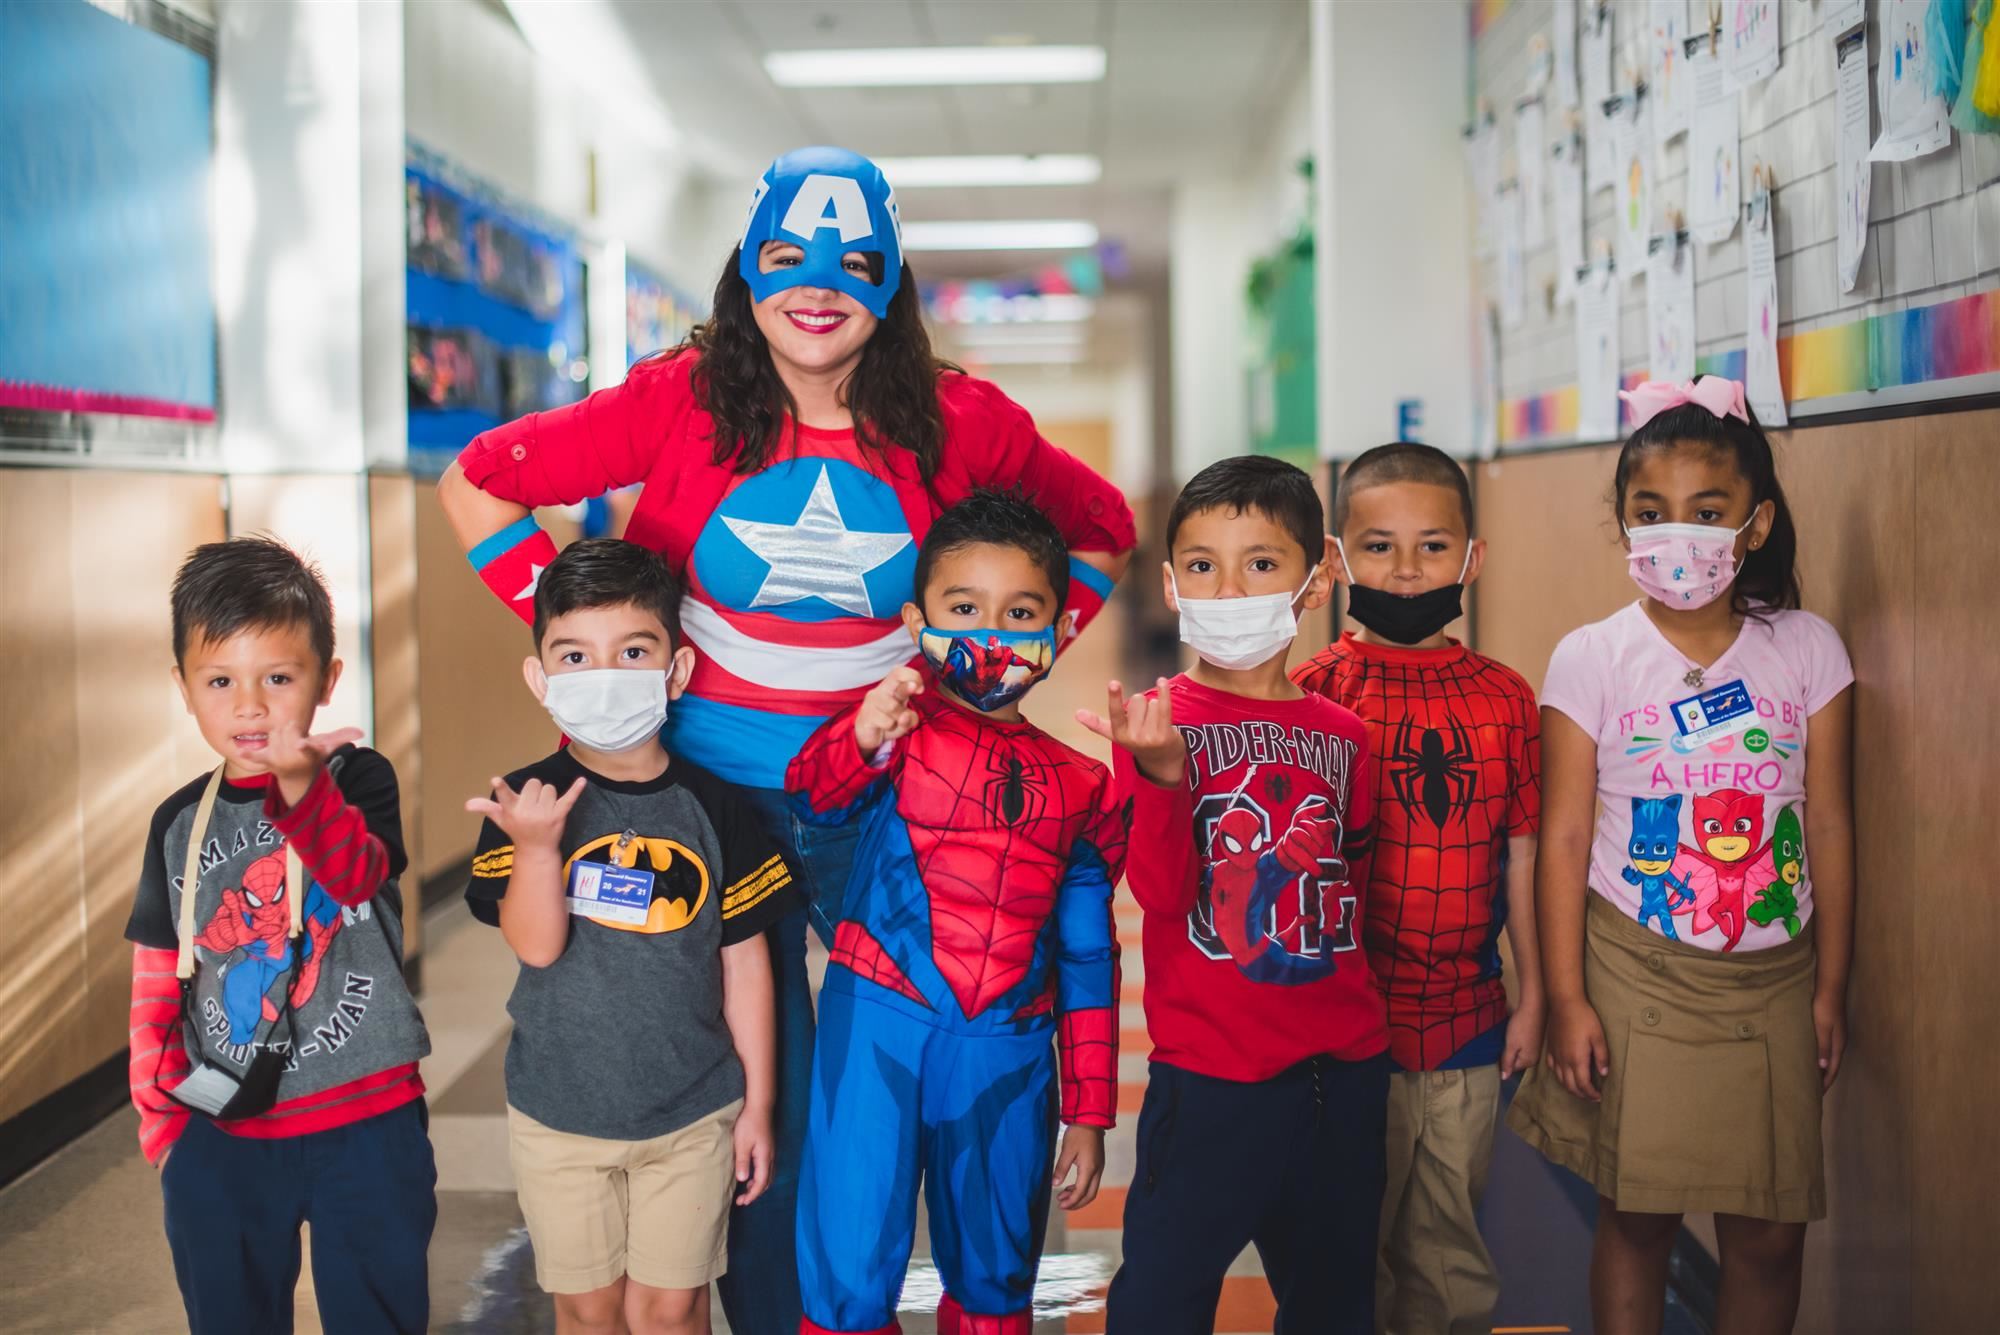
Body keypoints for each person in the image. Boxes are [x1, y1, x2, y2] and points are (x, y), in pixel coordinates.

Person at [435, 146, 1135, 1331]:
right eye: (786, 259)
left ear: (892, 277)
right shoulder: (681, 398)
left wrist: (985, 673)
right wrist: (605, 653)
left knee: (899, 1084)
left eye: (854, 262)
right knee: (760, 1091)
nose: (817, 289)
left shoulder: (961, 418)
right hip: (706, 803)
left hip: (890, 809)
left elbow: (1102, 532)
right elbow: (476, 486)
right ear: (745, 268)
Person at [1506, 378, 1854, 1335]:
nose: (1681, 535)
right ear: (1622, 523)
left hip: (1775, 979)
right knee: (1639, 1213)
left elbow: (1829, 825)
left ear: (1756, 521)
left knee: (1771, 1229)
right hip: (1635, 969)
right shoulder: (1593, 656)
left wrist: (1831, 986)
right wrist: (1569, 997)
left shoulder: (1809, 649)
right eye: (1652, 513)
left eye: (1709, 513)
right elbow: (1565, 840)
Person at [784, 490, 1125, 1335]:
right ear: (916, 619)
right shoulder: (889, 731)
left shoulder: (1085, 786)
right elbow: (813, 805)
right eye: (964, 608)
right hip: (876, 1029)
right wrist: (862, 737)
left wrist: (1088, 1107)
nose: (993, 632)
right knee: (848, 1274)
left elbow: (1089, 954)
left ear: (1059, 627)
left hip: (1010, 1053)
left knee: (996, 1279)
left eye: (1021, 612)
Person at [1082, 456, 1390, 1334]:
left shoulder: (1346, 735)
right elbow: (1163, 890)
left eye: (1260, 562)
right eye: (1203, 564)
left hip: (1344, 1073)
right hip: (1212, 1078)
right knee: (1160, 1301)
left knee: (1333, 1303)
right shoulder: (1157, 719)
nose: (1230, 586)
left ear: (1318, 577)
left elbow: (1352, 892)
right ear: (1173, 583)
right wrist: (1163, 774)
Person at [464, 539, 801, 1335]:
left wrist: (757, 1106)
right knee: (587, 1309)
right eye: (575, 655)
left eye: (632, 650)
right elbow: (537, 946)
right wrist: (539, 847)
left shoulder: (716, 807)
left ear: (675, 671)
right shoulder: (524, 804)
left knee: (673, 1308)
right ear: (540, 677)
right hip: (559, 1114)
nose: (603, 675)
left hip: (693, 1113)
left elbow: (747, 965)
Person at [125, 536, 435, 1334]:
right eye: (220, 680)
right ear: (184, 688)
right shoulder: (177, 823)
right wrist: (164, 1125)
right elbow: (161, 973)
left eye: (279, 678)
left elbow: (358, 872)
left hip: (365, 1121)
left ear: (326, 681)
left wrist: (302, 788)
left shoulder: (357, 781)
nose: (251, 705)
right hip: (223, 1130)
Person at [1290, 443, 1544, 1335]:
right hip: (1347, 1033)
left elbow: (1522, 857)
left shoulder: (1507, 698)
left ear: (1472, 557)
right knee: (1344, 1247)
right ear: (1337, 560)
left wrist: (1536, 996)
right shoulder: (1311, 694)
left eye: (1433, 546)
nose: (1405, 572)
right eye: (1379, 546)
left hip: (1470, 1020)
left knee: (1447, 1252)